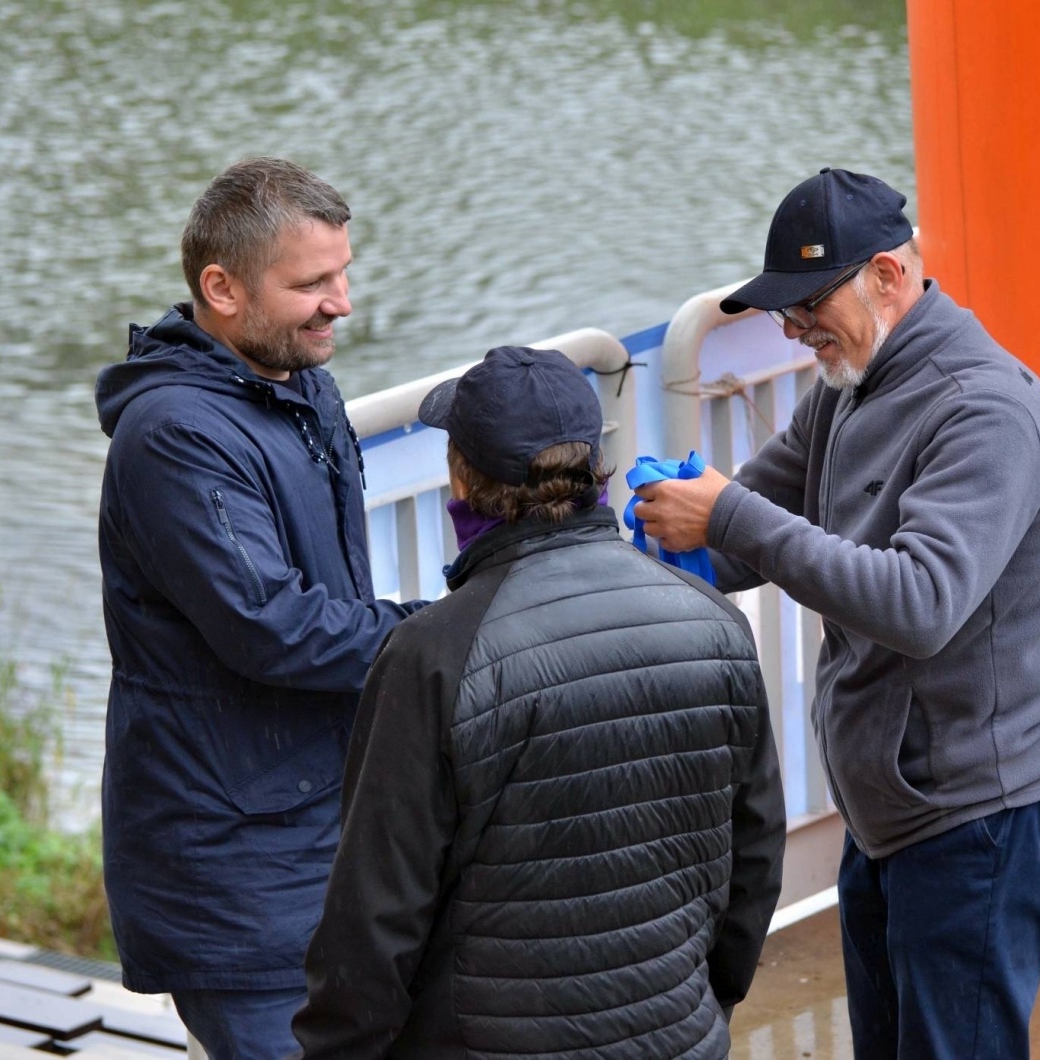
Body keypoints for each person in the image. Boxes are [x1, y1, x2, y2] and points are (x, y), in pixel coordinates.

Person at [631, 168, 1040, 1059]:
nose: (794, 330)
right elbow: (738, 541)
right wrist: (651, 541)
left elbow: (920, 603)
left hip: (976, 818)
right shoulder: (846, 390)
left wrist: (725, 513)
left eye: (806, 303)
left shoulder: (985, 410)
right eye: (780, 311)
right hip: (883, 816)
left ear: (887, 275)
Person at [291, 346, 788, 1059]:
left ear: (462, 477)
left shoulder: (433, 655)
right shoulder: (714, 622)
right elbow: (755, 859)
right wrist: (703, 1008)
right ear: (594, 468)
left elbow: (373, 923)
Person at [94, 157, 424, 1060]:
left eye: (344, 272)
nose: (341, 302)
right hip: (233, 865)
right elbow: (270, 625)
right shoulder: (176, 437)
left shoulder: (295, 380)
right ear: (221, 289)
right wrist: (441, 631)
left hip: (324, 827)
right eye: (312, 282)